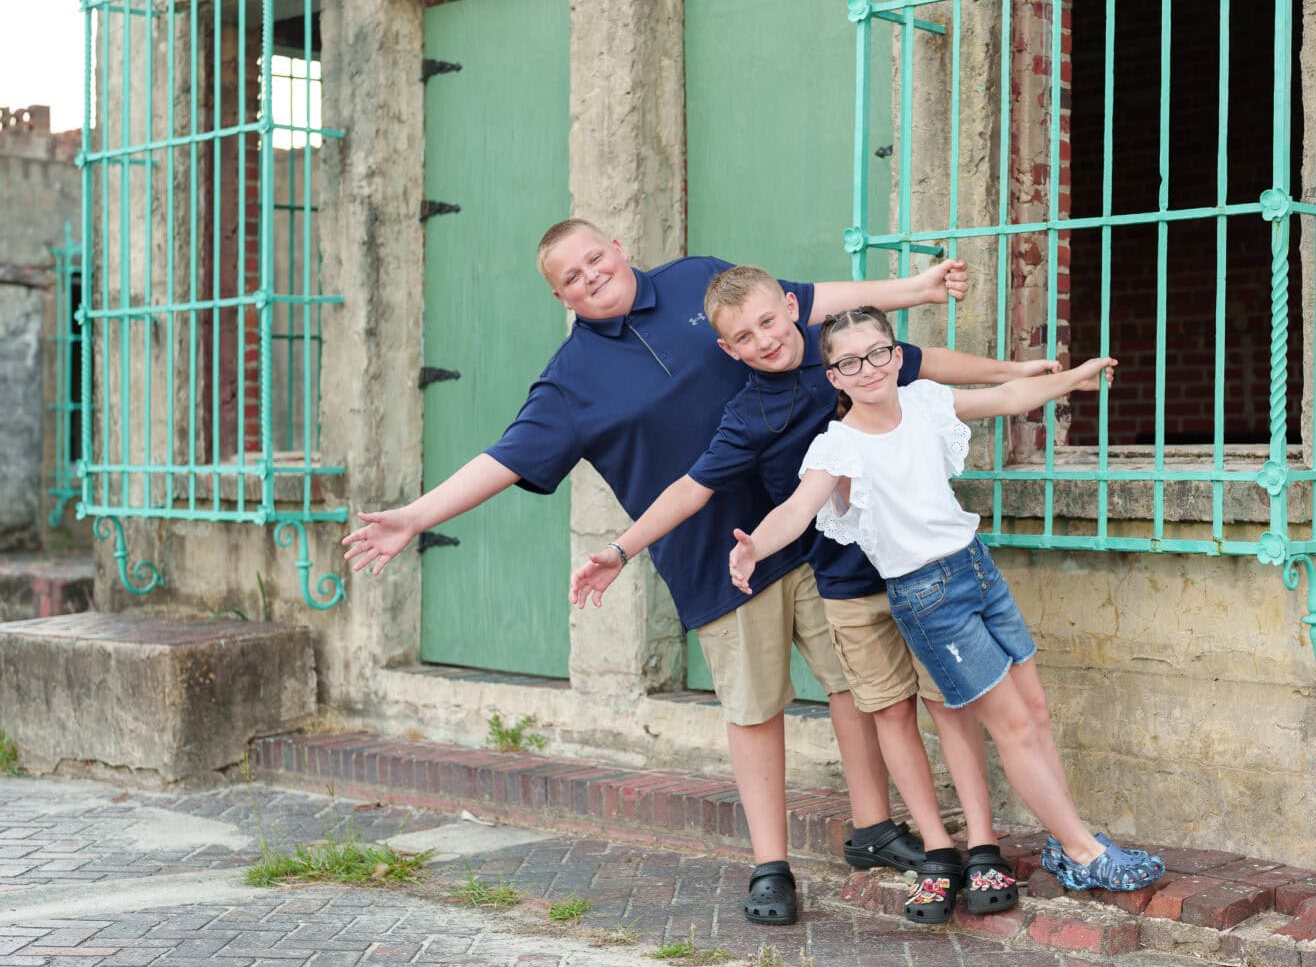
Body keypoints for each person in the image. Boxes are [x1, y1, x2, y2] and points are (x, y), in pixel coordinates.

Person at [341, 220, 967, 927]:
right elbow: (507, 455)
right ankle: (770, 865)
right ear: (560, 296)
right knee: (754, 710)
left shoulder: (697, 279)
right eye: (571, 277)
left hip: (814, 523)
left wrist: (912, 289)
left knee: (859, 686)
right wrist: (416, 517)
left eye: (594, 258)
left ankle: (874, 828)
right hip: (712, 560)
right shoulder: (571, 381)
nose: (590, 276)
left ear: (616, 244)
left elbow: (805, 300)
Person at [570, 265, 1059, 923]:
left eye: (771, 321)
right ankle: (939, 853)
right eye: (745, 335)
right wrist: (622, 548)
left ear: (791, 310)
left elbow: (928, 364)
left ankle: (983, 846)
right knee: (889, 713)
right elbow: (693, 487)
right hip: (850, 588)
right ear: (729, 350)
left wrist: (1012, 371)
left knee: (950, 708)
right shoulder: (749, 414)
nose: (766, 339)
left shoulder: (848, 353)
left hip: (926, 572)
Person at [726, 306, 1166, 917]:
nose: (869, 368)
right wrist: (755, 547)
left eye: (879, 352)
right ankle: (1083, 850)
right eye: (849, 361)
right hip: (928, 598)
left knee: (1034, 713)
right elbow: (798, 510)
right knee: (1010, 725)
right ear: (833, 376)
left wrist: (1074, 376)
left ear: (895, 354)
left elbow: (1012, 396)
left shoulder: (927, 402)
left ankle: (1071, 845)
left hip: (976, 568)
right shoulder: (838, 446)